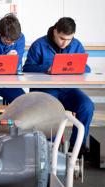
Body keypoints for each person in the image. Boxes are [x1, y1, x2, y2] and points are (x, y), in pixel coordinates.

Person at [23, 17, 93, 153]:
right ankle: (50, 149)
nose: (65, 43)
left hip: (68, 90)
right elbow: (27, 69)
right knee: (52, 110)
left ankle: (77, 147)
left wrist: (77, 68)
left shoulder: (77, 45)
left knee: (87, 106)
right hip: (45, 91)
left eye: (69, 39)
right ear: (55, 31)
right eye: (62, 38)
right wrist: (46, 69)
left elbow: (87, 68)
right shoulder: (39, 45)